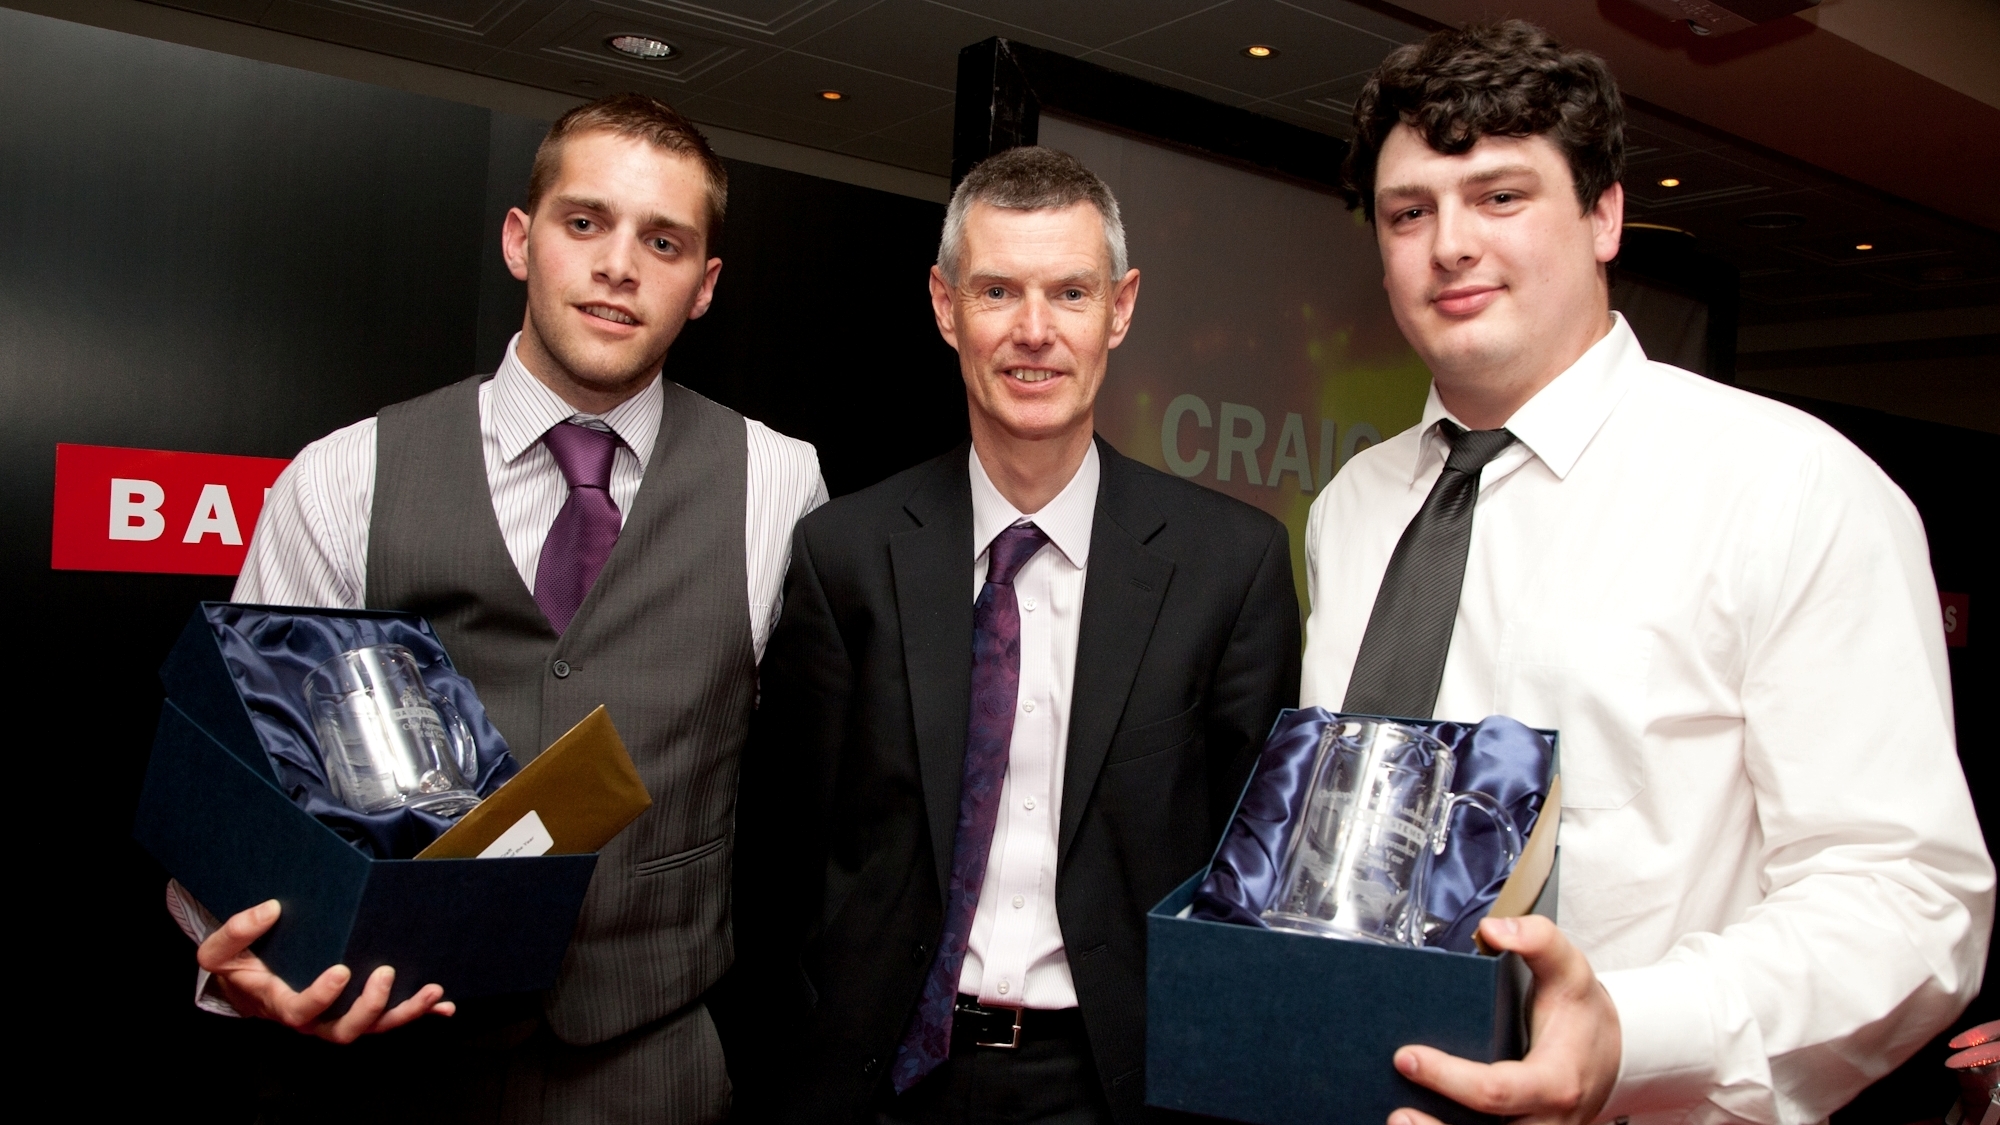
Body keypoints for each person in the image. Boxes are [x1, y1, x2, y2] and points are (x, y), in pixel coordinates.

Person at [1298, 21, 1993, 1125]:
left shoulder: (1789, 488)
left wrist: (1630, 1028)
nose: (1450, 244)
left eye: (1500, 196)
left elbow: (1910, 902)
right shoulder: (1350, 511)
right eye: (1409, 211)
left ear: (1604, 215)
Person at [168, 92, 825, 1123]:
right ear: (521, 241)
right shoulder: (347, 475)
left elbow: (819, 791)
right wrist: (258, 961)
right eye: (584, 222)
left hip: (651, 1068)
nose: (619, 265)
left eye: (662, 240)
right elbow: (247, 787)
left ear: (703, 287)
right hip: (391, 1060)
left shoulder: (782, 485)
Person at [727, 146, 1300, 1124]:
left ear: (1118, 308)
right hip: (880, 1078)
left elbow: (1251, 876)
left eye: (1068, 293)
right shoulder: (846, 553)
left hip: (1117, 1083)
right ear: (945, 306)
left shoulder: (1229, 566)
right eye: (997, 291)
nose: (1033, 333)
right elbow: (782, 857)